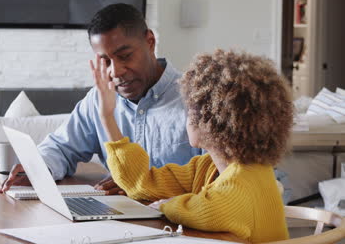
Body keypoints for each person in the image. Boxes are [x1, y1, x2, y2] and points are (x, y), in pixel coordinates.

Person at [0, 3, 203, 194]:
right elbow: (61, 147)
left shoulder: (198, 98)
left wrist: (140, 187)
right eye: (105, 61)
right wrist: (36, 168)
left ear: (150, 42)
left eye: (125, 56)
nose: (116, 71)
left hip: (183, 223)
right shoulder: (99, 99)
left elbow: (220, 180)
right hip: (115, 218)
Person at [93, 49, 292, 243]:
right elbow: (143, 183)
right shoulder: (208, 166)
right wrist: (107, 116)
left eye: (190, 109)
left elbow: (210, 210)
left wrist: (169, 206)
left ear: (210, 120)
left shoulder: (244, 179)